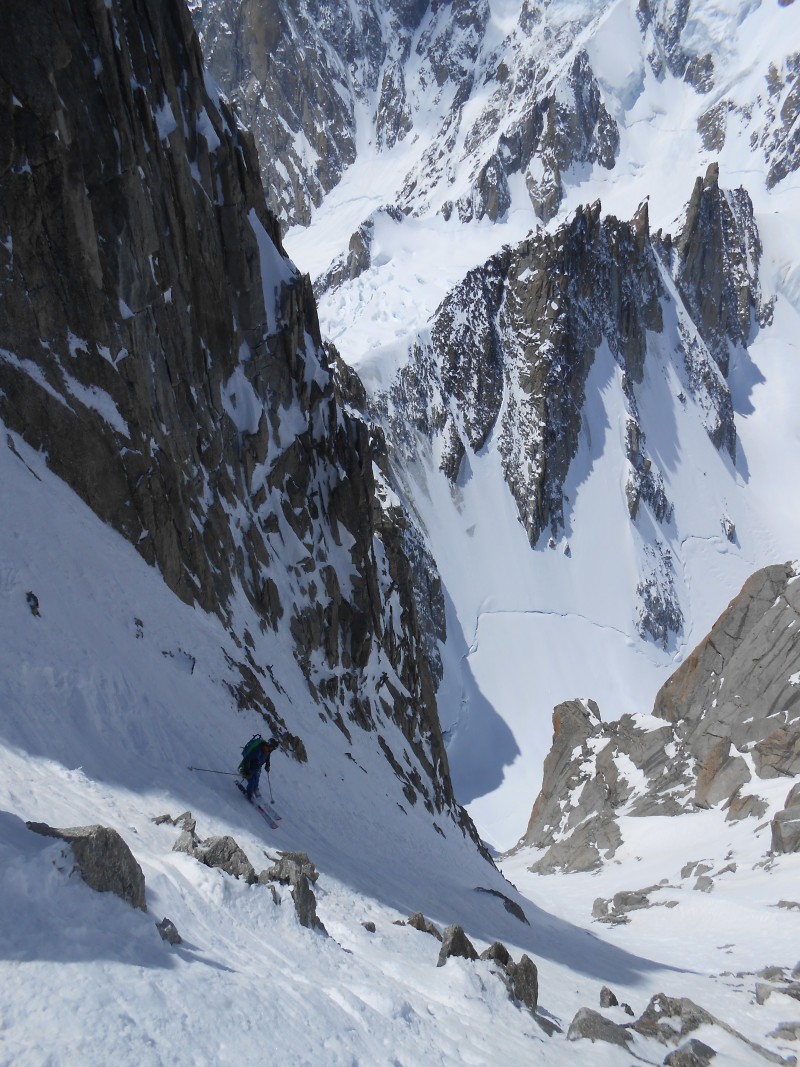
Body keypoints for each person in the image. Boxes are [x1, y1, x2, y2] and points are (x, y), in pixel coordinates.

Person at [239, 735, 278, 801]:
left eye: (273, 749)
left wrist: (267, 765)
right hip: (250, 767)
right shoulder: (259, 749)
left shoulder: (267, 750)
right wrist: (246, 771)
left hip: (257, 768)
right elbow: (248, 759)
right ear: (270, 745)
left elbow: (267, 757)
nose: (272, 750)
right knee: (252, 781)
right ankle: (249, 794)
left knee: (257, 779)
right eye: (273, 748)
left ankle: (255, 789)